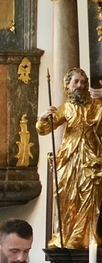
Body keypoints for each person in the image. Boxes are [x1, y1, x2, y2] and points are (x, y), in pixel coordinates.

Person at [36, 67, 102, 248]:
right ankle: (64, 235)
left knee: (89, 196)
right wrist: (43, 118)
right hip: (69, 157)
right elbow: (45, 129)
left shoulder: (97, 106)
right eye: (76, 82)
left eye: (83, 82)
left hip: (91, 158)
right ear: (68, 85)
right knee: (66, 195)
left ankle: (84, 236)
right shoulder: (65, 108)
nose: (80, 86)